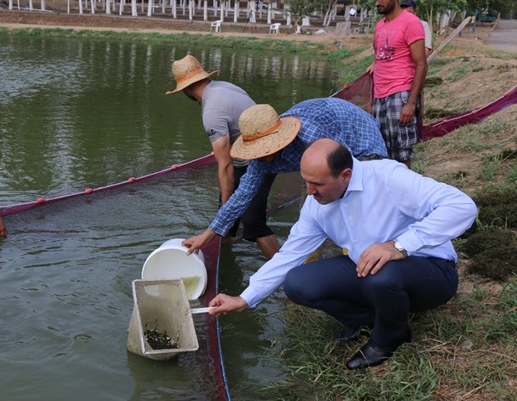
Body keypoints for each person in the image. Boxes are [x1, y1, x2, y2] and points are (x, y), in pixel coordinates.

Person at [207, 138, 477, 369]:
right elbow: (289, 255)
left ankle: (390, 337)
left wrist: (399, 246)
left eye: (317, 184)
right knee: (298, 283)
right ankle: (373, 319)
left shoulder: (388, 177)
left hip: (431, 271)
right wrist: (244, 298)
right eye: (305, 182)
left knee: (381, 274)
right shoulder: (316, 204)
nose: (310, 192)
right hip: (370, 270)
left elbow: (461, 206)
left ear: (345, 175)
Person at [182, 98, 388, 259]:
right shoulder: (261, 159)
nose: (261, 155)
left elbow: (347, 170)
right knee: (316, 206)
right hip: (328, 130)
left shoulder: (311, 137)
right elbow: (242, 196)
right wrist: (207, 235)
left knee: (358, 198)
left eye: (264, 148)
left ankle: (366, 254)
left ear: (280, 139)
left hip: (357, 133)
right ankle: (309, 262)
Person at [166, 54, 280, 258]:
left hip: (261, 158)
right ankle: (223, 259)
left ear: (185, 89)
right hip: (263, 148)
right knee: (225, 217)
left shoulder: (212, 111)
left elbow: (225, 165)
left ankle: (287, 272)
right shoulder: (224, 87)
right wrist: (225, 213)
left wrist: (227, 210)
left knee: (252, 221)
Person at [366, 0, 428, 168]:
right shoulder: (380, 26)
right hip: (380, 95)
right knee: (381, 151)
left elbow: (421, 64)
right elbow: (379, 59)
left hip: (401, 93)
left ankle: (406, 193)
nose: (378, 2)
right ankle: (388, 193)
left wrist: (411, 103)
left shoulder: (411, 23)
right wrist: (372, 99)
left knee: (401, 152)